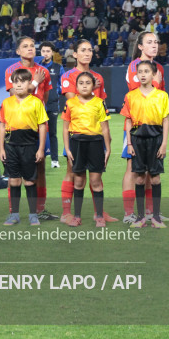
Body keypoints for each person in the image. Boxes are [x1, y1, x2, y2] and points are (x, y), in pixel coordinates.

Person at [58, 40, 117, 224]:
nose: (87, 53)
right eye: (83, 50)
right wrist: (94, 86)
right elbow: (72, 100)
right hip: (77, 133)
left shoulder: (98, 76)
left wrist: (105, 133)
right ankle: (67, 213)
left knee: (96, 173)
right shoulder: (68, 76)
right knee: (73, 173)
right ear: (74, 54)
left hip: (95, 132)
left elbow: (101, 103)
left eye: (90, 50)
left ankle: (99, 213)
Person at [121, 31, 166, 223]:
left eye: (156, 42)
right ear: (140, 46)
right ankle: (129, 213)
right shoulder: (134, 67)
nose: (154, 45)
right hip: (136, 126)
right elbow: (137, 94)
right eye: (149, 42)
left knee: (151, 167)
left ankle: (149, 211)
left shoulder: (160, 67)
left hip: (154, 126)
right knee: (134, 168)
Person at [4, 37, 52, 217]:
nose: (30, 49)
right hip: (16, 125)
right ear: (18, 51)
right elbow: (13, 95)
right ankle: (13, 210)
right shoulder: (12, 70)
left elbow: (44, 99)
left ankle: (40, 209)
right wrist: (34, 83)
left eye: (32, 45)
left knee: (40, 166)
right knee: (14, 172)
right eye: (25, 46)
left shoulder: (43, 71)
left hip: (37, 124)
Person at [0, 69, 48, 226]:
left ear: (29, 84)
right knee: (13, 180)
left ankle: (33, 214)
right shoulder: (6, 103)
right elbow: (1, 126)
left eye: (23, 81)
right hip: (11, 145)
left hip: (29, 145)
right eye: (16, 81)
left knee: (29, 181)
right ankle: (14, 214)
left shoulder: (36, 102)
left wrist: (40, 148)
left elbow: (42, 126)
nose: (19, 84)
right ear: (12, 84)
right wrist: (1, 148)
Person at [62, 71, 111, 228]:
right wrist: (67, 148)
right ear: (76, 86)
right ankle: (76, 216)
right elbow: (65, 128)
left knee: (96, 181)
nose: (84, 86)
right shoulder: (70, 103)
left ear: (93, 86)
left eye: (87, 83)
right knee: (79, 180)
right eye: (81, 83)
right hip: (77, 143)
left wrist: (107, 148)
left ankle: (99, 216)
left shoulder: (99, 102)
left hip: (95, 143)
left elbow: (104, 127)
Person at [37, 41, 64, 170]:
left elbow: (63, 84)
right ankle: (36, 157)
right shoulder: (36, 67)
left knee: (52, 132)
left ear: (52, 53)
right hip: (37, 105)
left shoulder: (58, 67)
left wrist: (55, 93)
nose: (45, 54)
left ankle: (54, 160)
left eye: (48, 51)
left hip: (52, 104)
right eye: (43, 51)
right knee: (35, 132)